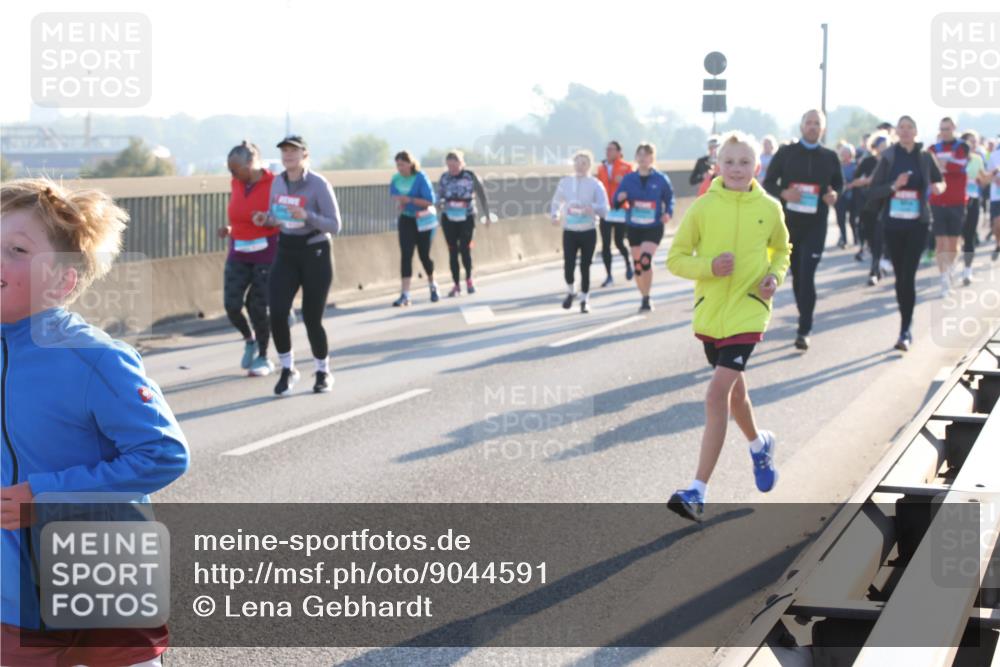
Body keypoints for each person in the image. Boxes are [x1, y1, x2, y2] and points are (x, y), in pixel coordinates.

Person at [0, 178, 189, 667]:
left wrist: (46, 496)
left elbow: (163, 454)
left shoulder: (94, 359)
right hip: (12, 597)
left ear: (62, 280)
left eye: (16, 249)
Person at [665, 133, 790, 522]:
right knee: (735, 395)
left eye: (745, 162)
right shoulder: (703, 208)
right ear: (718, 166)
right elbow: (676, 259)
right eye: (730, 162)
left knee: (716, 395)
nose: (737, 169)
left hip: (749, 313)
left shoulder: (769, 208)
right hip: (711, 314)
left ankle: (697, 491)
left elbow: (782, 250)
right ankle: (758, 444)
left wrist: (774, 278)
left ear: (757, 167)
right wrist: (709, 268)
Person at [254, 135, 342, 396]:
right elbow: (277, 217)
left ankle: (323, 371)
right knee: (277, 312)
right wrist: (265, 219)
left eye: (293, 151)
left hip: (315, 250)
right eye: (284, 151)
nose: (288, 155)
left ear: (305, 155)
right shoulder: (278, 182)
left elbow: (335, 225)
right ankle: (287, 369)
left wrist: (308, 216)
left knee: (312, 318)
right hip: (287, 250)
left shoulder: (318, 184)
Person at [763, 109, 843, 351]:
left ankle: (804, 328)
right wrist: (784, 193)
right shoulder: (787, 153)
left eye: (817, 123)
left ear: (823, 129)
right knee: (797, 276)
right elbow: (768, 182)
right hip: (788, 225)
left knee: (807, 275)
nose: (812, 127)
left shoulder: (829, 157)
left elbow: (838, 185)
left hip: (816, 225)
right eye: (808, 122)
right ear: (801, 126)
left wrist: (834, 195)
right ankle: (803, 315)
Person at [864, 116, 945, 352]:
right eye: (902, 127)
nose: (906, 131)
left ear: (916, 131)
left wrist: (938, 187)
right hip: (893, 224)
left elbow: (940, 182)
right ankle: (905, 323)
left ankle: (905, 329)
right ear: (897, 132)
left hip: (918, 224)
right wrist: (894, 186)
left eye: (910, 127)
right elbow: (873, 191)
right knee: (901, 277)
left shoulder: (925, 156)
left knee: (908, 275)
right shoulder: (889, 157)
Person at [220, 140, 277, 377]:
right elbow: (238, 216)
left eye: (235, 169)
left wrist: (269, 219)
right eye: (230, 170)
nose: (232, 174)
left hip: (267, 252)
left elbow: (283, 216)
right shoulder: (236, 183)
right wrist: (230, 230)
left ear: (252, 163)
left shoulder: (275, 183)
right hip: (239, 251)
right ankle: (249, 339)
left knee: (258, 307)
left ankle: (264, 356)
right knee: (232, 305)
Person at [612, 143, 675, 312]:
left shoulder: (661, 179)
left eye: (646, 155)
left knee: (646, 259)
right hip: (634, 226)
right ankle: (643, 295)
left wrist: (668, 212)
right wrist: (620, 198)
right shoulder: (629, 179)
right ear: (636, 157)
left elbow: (670, 199)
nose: (642, 158)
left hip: (653, 225)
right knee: (638, 264)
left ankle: (647, 297)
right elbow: (615, 201)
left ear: (652, 158)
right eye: (639, 154)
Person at [550, 150, 609, 313]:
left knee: (585, 266)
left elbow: (605, 209)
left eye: (584, 163)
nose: (580, 166)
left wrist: (592, 209)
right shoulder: (566, 182)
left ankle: (584, 299)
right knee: (568, 265)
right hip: (570, 230)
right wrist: (555, 215)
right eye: (577, 162)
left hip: (588, 231)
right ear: (573, 164)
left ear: (589, 166)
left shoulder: (595, 184)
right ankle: (571, 291)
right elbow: (556, 202)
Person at [437, 150, 491, 297]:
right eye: (449, 166)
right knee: (452, 250)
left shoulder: (470, 176)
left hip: (467, 216)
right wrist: (440, 204)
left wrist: (487, 215)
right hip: (449, 217)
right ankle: (456, 284)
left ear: (461, 164)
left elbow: (482, 195)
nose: (452, 169)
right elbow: (439, 196)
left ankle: (468, 279)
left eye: (455, 165)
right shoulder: (444, 178)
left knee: (465, 248)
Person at [927, 117, 971, 297]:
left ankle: (951, 266)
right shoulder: (932, 149)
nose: (945, 131)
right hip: (937, 201)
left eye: (948, 128)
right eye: (942, 128)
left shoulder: (962, 147)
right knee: (940, 242)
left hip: (957, 200)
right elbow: (932, 169)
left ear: (954, 128)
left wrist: (944, 165)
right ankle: (943, 277)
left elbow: (959, 165)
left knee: (953, 243)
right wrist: (944, 166)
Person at [390, 151, 438, 307]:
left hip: (423, 220)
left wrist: (410, 199)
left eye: (402, 165)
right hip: (407, 219)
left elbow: (430, 201)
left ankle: (432, 284)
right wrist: (402, 203)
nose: (400, 168)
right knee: (406, 255)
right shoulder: (396, 179)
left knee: (424, 255)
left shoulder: (420, 177)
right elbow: (395, 196)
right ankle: (405, 294)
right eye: (397, 165)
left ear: (410, 163)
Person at [854, 132, 892, 284]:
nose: (883, 150)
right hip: (868, 205)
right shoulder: (867, 162)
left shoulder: (891, 162)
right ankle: (877, 263)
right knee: (870, 237)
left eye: (886, 147)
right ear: (874, 147)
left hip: (886, 205)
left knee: (880, 238)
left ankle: (874, 271)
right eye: (881, 147)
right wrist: (867, 181)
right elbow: (855, 180)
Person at [595, 140, 633, 287]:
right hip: (606, 210)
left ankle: (627, 262)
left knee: (618, 241)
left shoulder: (626, 167)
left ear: (618, 152)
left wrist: (622, 181)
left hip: (620, 210)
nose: (608, 152)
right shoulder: (601, 168)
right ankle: (609, 275)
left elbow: (632, 186)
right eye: (607, 149)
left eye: (611, 149)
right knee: (605, 244)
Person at [961, 131, 985, 285]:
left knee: (969, 236)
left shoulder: (977, 159)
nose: (973, 144)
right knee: (955, 237)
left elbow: (983, 180)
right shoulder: (954, 159)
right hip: (956, 202)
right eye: (970, 141)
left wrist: (985, 178)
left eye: (975, 141)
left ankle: (967, 270)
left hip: (973, 201)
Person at [835, 143, 858, 249]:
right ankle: (843, 239)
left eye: (846, 153)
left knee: (853, 219)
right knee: (841, 219)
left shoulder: (856, 166)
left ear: (851, 154)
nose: (843, 155)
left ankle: (856, 238)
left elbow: (860, 179)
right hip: (840, 197)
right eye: (842, 152)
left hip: (853, 196)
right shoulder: (837, 166)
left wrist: (851, 184)